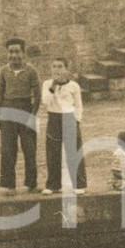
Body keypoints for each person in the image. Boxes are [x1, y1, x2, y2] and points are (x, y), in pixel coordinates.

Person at [0, 38, 41, 193]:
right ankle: (9, 185)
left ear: (23, 53)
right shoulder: (3, 71)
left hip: (26, 109)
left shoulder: (31, 71)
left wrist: (32, 116)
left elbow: (37, 96)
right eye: (10, 52)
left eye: (17, 51)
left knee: (29, 149)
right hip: (8, 110)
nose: (14, 55)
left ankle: (31, 184)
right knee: (8, 149)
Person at [41, 58, 87, 195]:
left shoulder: (74, 86)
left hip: (69, 118)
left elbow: (78, 105)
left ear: (66, 69)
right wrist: (53, 86)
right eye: (54, 66)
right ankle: (53, 185)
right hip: (53, 118)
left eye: (60, 66)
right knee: (53, 152)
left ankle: (78, 184)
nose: (57, 69)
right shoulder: (47, 84)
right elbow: (46, 102)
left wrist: (77, 120)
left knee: (73, 151)